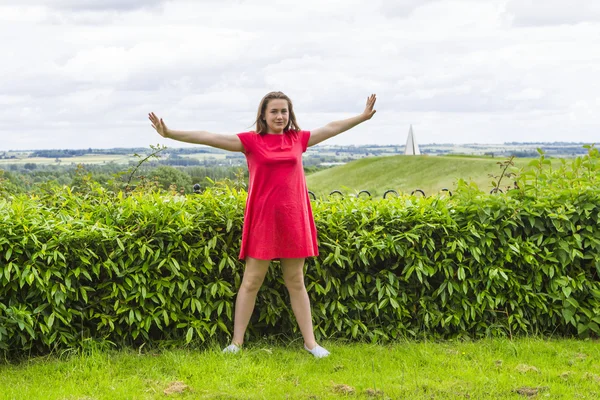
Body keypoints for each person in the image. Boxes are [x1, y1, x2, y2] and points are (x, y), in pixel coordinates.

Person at [149, 91, 377, 358]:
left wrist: (362, 117)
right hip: (263, 220)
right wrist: (170, 133)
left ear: (289, 115)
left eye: (284, 111)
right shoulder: (251, 142)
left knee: (296, 281)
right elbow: (209, 137)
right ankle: (236, 343)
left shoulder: (297, 139)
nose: (280, 116)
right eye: (274, 111)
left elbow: (331, 128)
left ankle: (311, 344)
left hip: (294, 219)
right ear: (264, 115)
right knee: (251, 282)